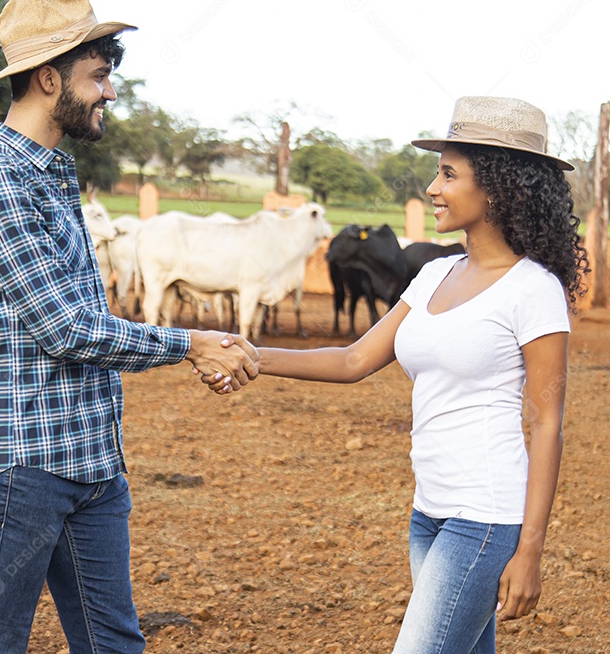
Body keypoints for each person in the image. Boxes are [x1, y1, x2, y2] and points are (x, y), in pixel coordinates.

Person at [0, 0, 258, 654]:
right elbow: (66, 327)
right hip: (19, 462)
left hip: (90, 460)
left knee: (115, 644)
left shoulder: (52, 174)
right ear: (49, 77)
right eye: (99, 76)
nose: (109, 92)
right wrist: (190, 343)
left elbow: (82, 320)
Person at [206, 97, 588, 654]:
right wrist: (251, 354)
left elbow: (549, 423)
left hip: (485, 520)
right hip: (427, 513)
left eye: (449, 174)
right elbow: (355, 359)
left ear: (498, 188)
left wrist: (530, 549)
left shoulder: (533, 290)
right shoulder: (434, 274)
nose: (433, 188)